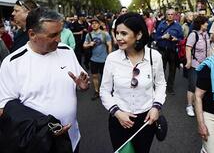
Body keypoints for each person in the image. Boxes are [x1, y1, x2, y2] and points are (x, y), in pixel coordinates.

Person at [0, 8, 90, 153]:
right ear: (32, 34)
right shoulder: (12, 63)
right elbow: (6, 109)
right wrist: (42, 130)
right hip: (39, 145)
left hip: (73, 139)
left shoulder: (66, 51)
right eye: (53, 35)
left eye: (60, 33)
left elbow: (80, 84)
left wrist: (82, 86)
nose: (59, 39)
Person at [100, 12, 166, 153]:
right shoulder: (112, 58)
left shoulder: (154, 56)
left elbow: (160, 84)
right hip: (119, 120)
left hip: (146, 121)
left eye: (124, 33)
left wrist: (156, 107)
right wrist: (117, 113)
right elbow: (104, 90)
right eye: (116, 33)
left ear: (139, 35)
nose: (118, 38)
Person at [185, 16, 210, 117]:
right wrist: (189, 61)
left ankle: (197, 104)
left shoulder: (206, 34)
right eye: (206, 23)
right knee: (192, 85)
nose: (207, 24)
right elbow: (188, 48)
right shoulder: (193, 34)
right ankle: (189, 106)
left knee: (202, 86)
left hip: (205, 65)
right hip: (195, 65)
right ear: (201, 24)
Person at [155, 8, 183, 94]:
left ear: (174, 16)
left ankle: (170, 88)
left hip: (172, 50)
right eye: (168, 14)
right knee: (161, 69)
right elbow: (156, 37)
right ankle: (160, 87)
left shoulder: (178, 26)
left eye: (172, 14)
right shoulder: (161, 25)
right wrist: (163, 37)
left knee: (172, 69)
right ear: (166, 15)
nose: (170, 16)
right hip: (162, 50)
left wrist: (176, 39)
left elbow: (182, 39)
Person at [83, 17, 112, 100]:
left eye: (95, 23)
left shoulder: (105, 34)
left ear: (99, 25)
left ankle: (105, 91)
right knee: (94, 76)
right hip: (93, 59)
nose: (94, 25)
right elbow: (84, 45)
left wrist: (109, 57)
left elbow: (109, 45)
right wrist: (89, 44)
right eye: (92, 23)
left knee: (105, 76)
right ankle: (97, 91)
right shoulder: (89, 35)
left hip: (104, 59)